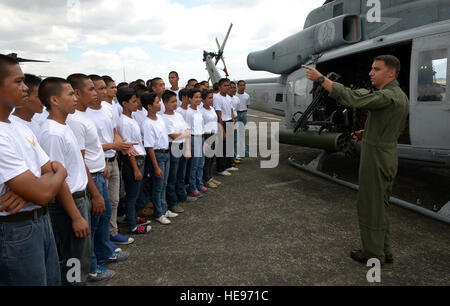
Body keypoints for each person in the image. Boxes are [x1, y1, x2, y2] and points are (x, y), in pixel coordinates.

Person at [302, 55, 409, 265]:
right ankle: (384, 250)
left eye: (376, 69)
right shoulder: (399, 96)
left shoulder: (387, 96)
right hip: (386, 154)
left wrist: (321, 79)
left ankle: (373, 253)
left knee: (369, 206)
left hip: (376, 158)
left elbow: (353, 99)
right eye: (372, 68)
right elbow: (388, 125)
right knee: (380, 205)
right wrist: (366, 132)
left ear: (391, 73)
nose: (371, 73)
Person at [0, 55, 66, 286]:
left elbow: (51, 168)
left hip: (40, 221)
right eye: (18, 81)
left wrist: (51, 175)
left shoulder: (18, 125)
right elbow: (43, 193)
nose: (26, 87)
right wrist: (44, 182)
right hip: (15, 230)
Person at [37, 77, 92, 285]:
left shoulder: (63, 126)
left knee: (80, 256)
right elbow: (58, 180)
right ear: (55, 100)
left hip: (78, 198)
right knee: (74, 258)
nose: (75, 98)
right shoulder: (51, 133)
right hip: (69, 203)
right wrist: (76, 216)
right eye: (70, 94)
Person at [67, 73, 116, 281]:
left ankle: (102, 255)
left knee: (102, 217)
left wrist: (103, 164)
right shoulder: (75, 121)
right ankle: (91, 267)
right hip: (89, 180)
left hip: (98, 173)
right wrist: (94, 191)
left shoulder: (85, 117)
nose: (97, 94)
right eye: (92, 89)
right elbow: (80, 159)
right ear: (77, 93)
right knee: (91, 226)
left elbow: (93, 149)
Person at [86, 75, 135, 246]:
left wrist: (121, 144)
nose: (104, 92)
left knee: (114, 200)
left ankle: (112, 233)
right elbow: (88, 147)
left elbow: (113, 131)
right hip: (100, 163)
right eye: (97, 89)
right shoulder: (85, 114)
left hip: (113, 159)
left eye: (102, 88)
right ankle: (102, 241)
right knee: (101, 207)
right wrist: (113, 145)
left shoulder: (109, 109)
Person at [116, 87, 152, 234]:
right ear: (125, 103)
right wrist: (136, 169)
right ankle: (132, 225)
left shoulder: (131, 118)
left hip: (139, 159)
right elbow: (128, 148)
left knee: (135, 194)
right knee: (131, 195)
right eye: (134, 101)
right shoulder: (124, 122)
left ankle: (133, 217)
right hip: (134, 161)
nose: (137, 103)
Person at [140, 92, 178, 225]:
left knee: (164, 184)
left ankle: (164, 208)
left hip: (166, 153)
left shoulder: (160, 118)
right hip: (157, 155)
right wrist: (155, 167)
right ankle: (158, 213)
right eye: (157, 102)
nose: (160, 104)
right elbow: (149, 147)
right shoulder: (147, 123)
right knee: (158, 186)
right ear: (149, 106)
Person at [162, 90, 190, 213]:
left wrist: (184, 136)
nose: (175, 104)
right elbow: (174, 136)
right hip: (173, 147)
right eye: (172, 102)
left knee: (181, 174)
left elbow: (187, 131)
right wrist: (184, 134)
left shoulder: (178, 115)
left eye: (175, 101)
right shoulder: (163, 118)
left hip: (182, 146)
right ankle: (172, 202)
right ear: (165, 103)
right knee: (172, 177)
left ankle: (181, 196)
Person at [213, 78, 238, 176]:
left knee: (229, 146)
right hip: (222, 122)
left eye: (228, 85)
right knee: (222, 147)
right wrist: (222, 130)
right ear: (219, 87)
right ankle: (221, 168)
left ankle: (228, 165)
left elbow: (231, 111)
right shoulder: (217, 98)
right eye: (225, 85)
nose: (227, 87)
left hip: (229, 122)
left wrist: (233, 123)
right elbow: (218, 114)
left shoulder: (228, 97)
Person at [185, 88, 207, 197]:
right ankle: (193, 187)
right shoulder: (189, 113)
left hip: (201, 138)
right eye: (196, 97)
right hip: (194, 139)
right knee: (194, 165)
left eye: (200, 97)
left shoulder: (199, 110)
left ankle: (200, 183)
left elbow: (202, 126)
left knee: (201, 163)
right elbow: (187, 130)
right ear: (190, 99)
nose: (198, 99)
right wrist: (188, 148)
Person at [200, 89, 221, 188]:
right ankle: (206, 179)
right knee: (207, 160)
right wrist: (205, 141)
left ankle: (211, 177)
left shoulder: (212, 109)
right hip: (206, 135)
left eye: (212, 97)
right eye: (209, 98)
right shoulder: (201, 111)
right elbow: (201, 126)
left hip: (213, 135)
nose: (211, 100)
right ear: (203, 100)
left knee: (212, 159)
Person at [235, 80, 250, 157]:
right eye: (241, 85)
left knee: (242, 133)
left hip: (243, 114)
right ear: (238, 86)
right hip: (236, 114)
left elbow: (247, 105)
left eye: (244, 85)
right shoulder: (235, 95)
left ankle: (243, 150)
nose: (242, 86)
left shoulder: (247, 96)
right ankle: (236, 150)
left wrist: (243, 113)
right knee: (236, 133)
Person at [228, 81, 241, 165]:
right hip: (228, 121)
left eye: (234, 88)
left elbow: (237, 110)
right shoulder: (226, 98)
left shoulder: (236, 99)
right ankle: (229, 159)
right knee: (229, 141)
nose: (233, 89)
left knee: (235, 140)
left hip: (235, 119)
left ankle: (234, 157)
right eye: (231, 87)